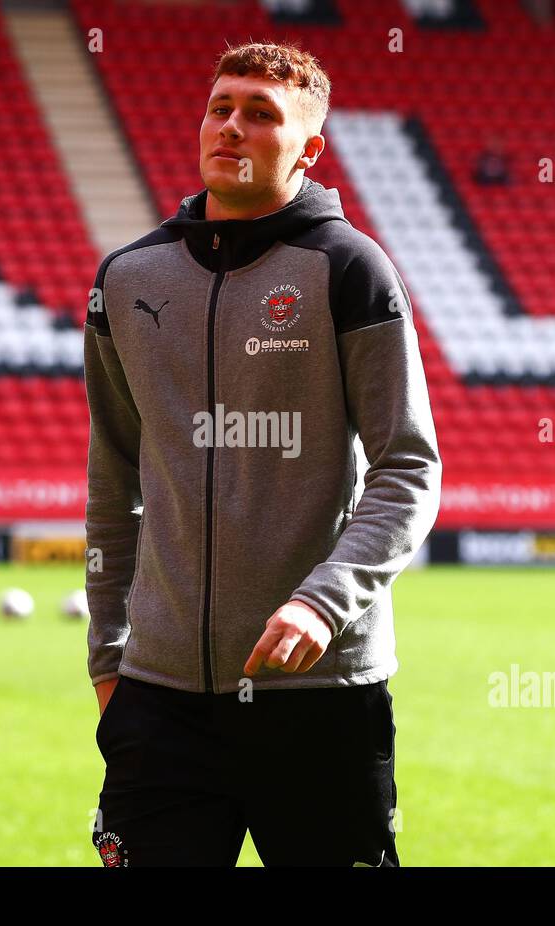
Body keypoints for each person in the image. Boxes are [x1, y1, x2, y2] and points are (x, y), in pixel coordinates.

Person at [83, 40, 441, 867]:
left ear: (308, 148)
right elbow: (114, 480)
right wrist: (109, 660)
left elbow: (409, 467)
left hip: (320, 701)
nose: (232, 128)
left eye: (260, 114)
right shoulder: (127, 278)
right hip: (159, 702)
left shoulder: (350, 269)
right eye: (220, 108)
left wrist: (322, 601)